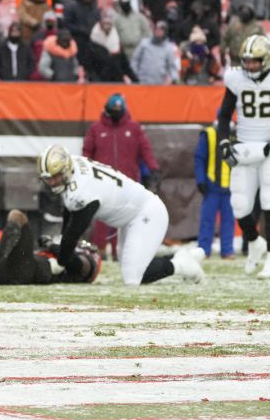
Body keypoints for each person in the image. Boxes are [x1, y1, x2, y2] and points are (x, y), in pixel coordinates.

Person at [38, 146, 204, 286]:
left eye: (55, 177)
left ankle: (181, 265)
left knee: (133, 277)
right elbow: (69, 207)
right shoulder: (72, 166)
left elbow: (74, 232)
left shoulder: (83, 190)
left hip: (146, 213)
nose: (52, 182)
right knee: (132, 266)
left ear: (66, 170)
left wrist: (60, 263)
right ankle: (184, 256)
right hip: (131, 216)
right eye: (48, 178)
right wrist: (61, 241)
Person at [217, 35, 270, 279]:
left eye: (255, 61)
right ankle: (255, 242)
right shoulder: (236, 79)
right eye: (247, 61)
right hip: (244, 148)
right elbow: (224, 116)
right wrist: (224, 141)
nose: (250, 66)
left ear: (266, 60)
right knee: (239, 204)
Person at [81, 93, 160, 255]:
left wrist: (153, 169)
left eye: (119, 109)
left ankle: (122, 251)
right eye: (114, 108)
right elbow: (87, 153)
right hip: (102, 182)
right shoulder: (96, 129)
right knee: (102, 217)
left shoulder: (134, 128)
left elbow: (145, 150)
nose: (117, 111)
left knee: (125, 218)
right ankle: (99, 251)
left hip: (127, 182)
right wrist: (85, 174)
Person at [195, 124, 234, 258]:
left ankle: (227, 250)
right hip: (212, 184)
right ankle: (203, 250)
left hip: (230, 186)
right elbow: (199, 158)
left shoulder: (236, 133)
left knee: (228, 220)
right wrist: (201, 180)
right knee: (207, 219)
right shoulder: (209, 133)